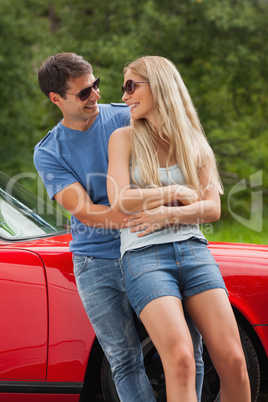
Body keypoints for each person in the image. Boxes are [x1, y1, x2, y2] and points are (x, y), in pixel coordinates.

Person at [33, 52, 204, 401]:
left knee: (190, 351)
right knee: (124, 359)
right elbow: (90, 213)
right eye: (83, 93)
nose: (95, 95)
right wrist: (162, 209)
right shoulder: (49, 152)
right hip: (97, 260)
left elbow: (180, 153)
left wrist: (172, 211)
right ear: (56, 99)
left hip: (150, 247)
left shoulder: (127, 115)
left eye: (95, 85)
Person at [107, 55, 251, 402]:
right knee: (182, 359)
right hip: (143, 256)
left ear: (159, 86)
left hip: (194, 252)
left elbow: (212, 208)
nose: (124, 96)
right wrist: (174, 193)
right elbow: (120, 199)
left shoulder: (194, 141)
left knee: (233, 361)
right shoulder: (123, 138)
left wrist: (163, 216)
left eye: (131, 85)